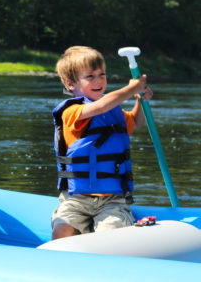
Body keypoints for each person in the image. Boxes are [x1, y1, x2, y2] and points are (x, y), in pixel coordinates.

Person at [51, 46, 153, 240]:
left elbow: (137, 121)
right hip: (75, 199)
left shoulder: (113, 111)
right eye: (90, 76)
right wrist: (131, 88)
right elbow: (100, 106)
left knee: (110, 236)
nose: (99, 80)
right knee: (61, 229)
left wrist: (139, 98)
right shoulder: (71, 112)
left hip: (113, 200)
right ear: (71, 83)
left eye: (102, 74)